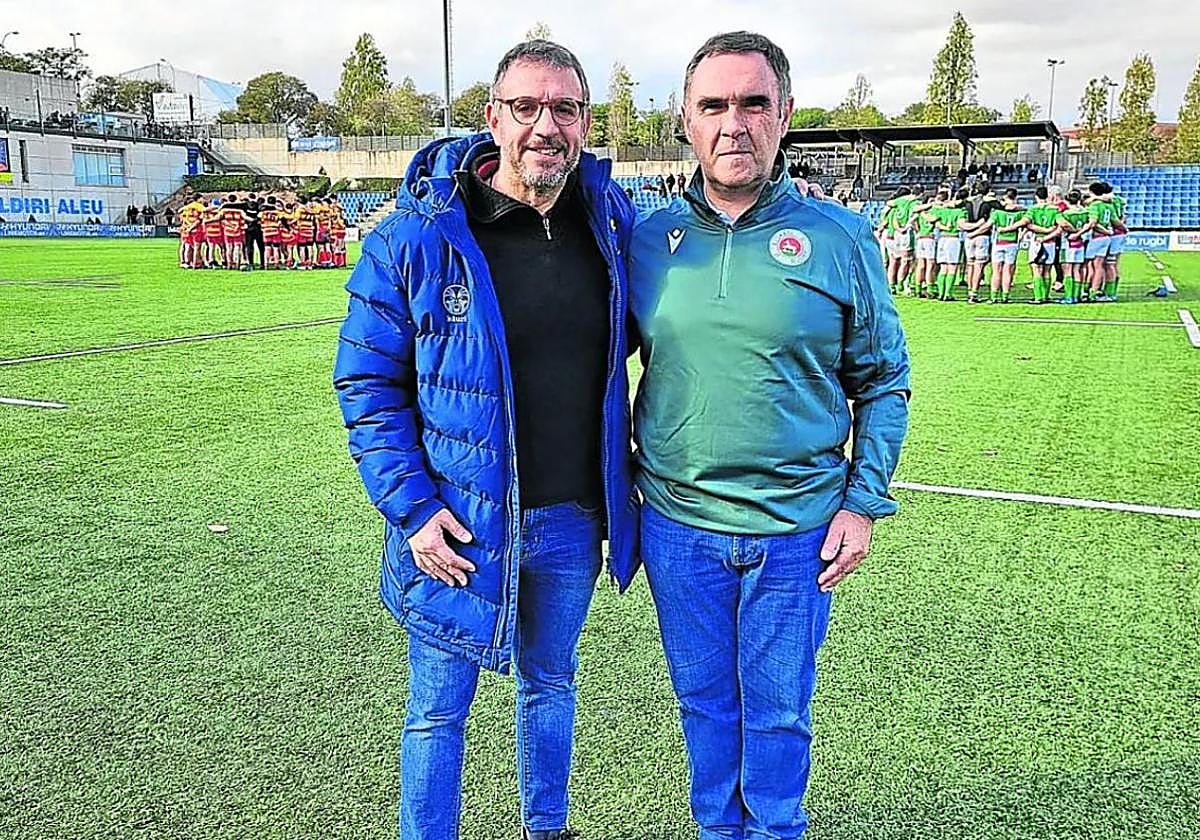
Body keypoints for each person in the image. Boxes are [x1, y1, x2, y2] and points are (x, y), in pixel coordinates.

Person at [333, 39, 638, 840]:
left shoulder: (609, 223)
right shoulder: (413, 239)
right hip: (457, 525)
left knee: (551, 683)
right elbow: (367, 386)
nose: (547, 126)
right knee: (438, 712)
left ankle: (549, 829)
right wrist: (413, 511)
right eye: (527, 107)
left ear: (585, 121)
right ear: (493, 117)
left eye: (565, 108)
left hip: (572, 519)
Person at [628, 31, 910, 840]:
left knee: (779, 711)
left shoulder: (840, 237)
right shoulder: (647, 240)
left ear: (784, 115)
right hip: (679, 528)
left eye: (754, 103)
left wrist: (863, 502)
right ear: (686, 119)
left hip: (797, 532)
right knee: (706, 706)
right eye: (713, 105)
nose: (733, 124)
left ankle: (776, 829)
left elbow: (883, 380)